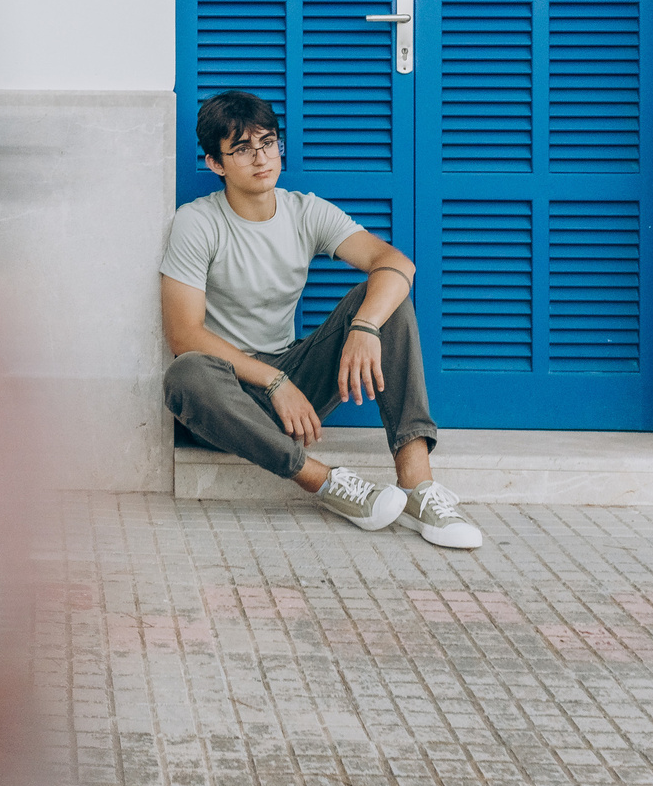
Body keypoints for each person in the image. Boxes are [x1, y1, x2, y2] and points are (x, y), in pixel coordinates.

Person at [158, 89, 482, 549]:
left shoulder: (304, 211)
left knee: (385, 296)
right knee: (185, 372)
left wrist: (365, 328)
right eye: (242, 149)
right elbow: (183, 333)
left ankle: (417, 487)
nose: (261, 158)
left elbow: (396, 263)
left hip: (294, 378)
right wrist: (273, 382)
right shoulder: (197, 223)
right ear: (216, 163)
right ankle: (326, 483)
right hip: (227, 393)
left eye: (268, 143)